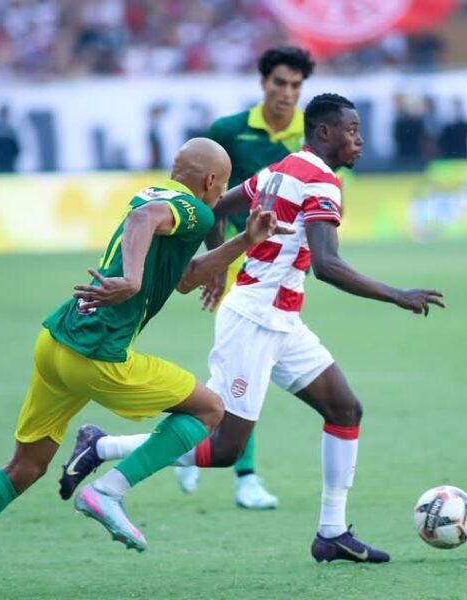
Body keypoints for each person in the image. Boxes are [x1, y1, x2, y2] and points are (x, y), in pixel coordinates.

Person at [57, 94, 445, 564]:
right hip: (254, 321)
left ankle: (332, 533)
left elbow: (217, 208)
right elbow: (327, 265)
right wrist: (397, 294)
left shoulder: (282, 169)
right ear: (324, 132)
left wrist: (218, 263)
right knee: (224, 448)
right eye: (351, 131)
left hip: (282, 321)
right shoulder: (320, 181)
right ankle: (102, 449)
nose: (359, 140)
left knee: (344, 409)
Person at [0, 137, 288, 595]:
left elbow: (185, 278)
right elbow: (143, 221)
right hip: (96, 355)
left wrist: (245, 241)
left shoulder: (156, 194)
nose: (219, 193)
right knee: (209, 409)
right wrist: (132, 278)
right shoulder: (195, 210)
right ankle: (108, 492)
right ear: (211, 181)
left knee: (24, 467)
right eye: (222, 186)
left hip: (55, 342)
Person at [184, 45, 316, 508]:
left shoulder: (314, 134)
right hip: (245, 263)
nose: (287, 92)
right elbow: (210, 200)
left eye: (296, 85)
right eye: (280, 82)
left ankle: (189, 440)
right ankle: (245, 476)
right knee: (246, 371)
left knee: (238, 370)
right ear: (263, 83)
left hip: (286, 267)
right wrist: (216, 262)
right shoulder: (229, 131)